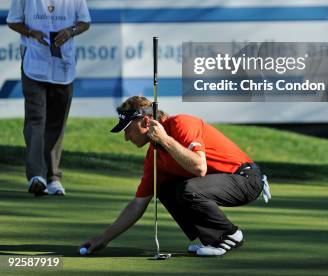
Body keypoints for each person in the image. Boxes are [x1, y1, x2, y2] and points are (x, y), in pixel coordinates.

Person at [81, 95, 267, 257]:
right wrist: (104, 238)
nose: (126, 137)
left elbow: (199, 167)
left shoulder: (181, 123)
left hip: (246, 179)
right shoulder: (154, 157)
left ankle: (227, 235)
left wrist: (165, 140)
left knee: (189, 189)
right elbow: (138, 203)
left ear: (146, 122)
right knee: (165, 188)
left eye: (128, 129)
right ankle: (207, 238)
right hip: (220, 184)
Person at [7, 0, 91, 196]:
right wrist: (31, 32)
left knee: (57, 121)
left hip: (63, 65)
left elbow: (84, 22)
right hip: (34, 62)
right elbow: (13, 21)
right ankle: (36, 176)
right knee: (36, 119)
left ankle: (53, 177)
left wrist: (70, 31)